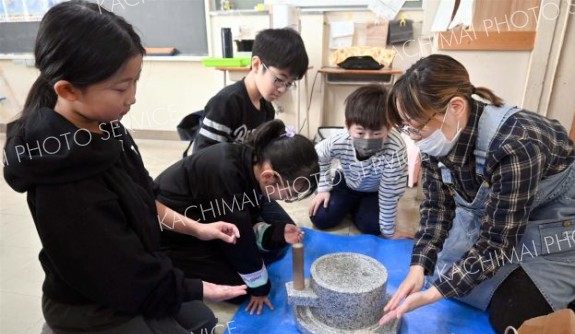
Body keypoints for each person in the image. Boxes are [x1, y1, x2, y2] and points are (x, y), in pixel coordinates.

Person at [2, 2, 246, 334]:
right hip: (92, 303)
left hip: (128, 276)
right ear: (67, 90)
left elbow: (143, 198)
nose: (132, 97)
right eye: (120, 87)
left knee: (202, 324)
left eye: (135, 81)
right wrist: (199, 286)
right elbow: (121, 273)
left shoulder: (107, 127)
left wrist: (197, 228)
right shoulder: (63, 185)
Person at [379, 54, 575, 334]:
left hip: (556, 222)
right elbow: (436, 208)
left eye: (416, 127)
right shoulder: (436, 138)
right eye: (407, 128)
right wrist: (419, 265)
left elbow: (497, 243)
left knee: (511, 316)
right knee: (440, 271)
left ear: (455, 107)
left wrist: (433, 295)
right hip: (503, 217)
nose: (413, 137)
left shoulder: (517, 143)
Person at [155, 119, 319, 316]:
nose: (289, 198)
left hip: (211, 217)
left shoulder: (252, 163)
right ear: (269, 177)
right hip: (174, 233)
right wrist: (260, 289)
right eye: (291, 193)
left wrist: (273, 233)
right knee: (242, 289)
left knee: (279, 239)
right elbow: (238, 239)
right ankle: (167, 265)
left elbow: (249, 214)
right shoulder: (225, 173)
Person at [308, 85, 409, 239]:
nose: (367, 139)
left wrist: (389, 232)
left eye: (376, 133)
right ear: (348, 126)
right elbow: (319, 155)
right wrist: (323, 188)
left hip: (375, 191)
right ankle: (351, 206)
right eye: (360, 132)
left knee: (373, 227)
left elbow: (390, 190)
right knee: (320, 218)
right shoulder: (340, 140)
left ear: (388, 128)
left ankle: (357, 208)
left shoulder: (395, 148)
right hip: (346, 184)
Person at [191, 27, 309, 152]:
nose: (282, 89)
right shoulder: (226, 103)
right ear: (257, 65)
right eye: (279, 79)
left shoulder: (267, 109)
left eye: (289, 83)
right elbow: (202, 158)